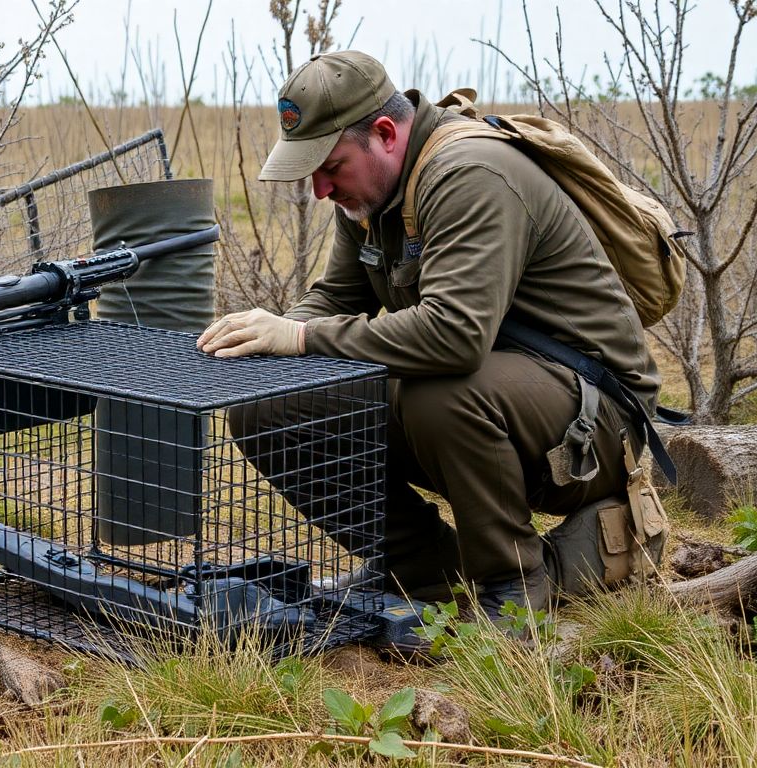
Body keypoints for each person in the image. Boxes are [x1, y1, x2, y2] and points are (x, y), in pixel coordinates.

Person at [196, 51, 661, 619]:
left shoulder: (470, 173)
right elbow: (338, 302)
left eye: (330, 166)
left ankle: (512, 591)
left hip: (596, 421)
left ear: (386, 133)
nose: (319, 189)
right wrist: (261, 340)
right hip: (496, 394)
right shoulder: (371, 195)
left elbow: (454, 337)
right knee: (267, 407)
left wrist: (299, 339)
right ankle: (423, 572)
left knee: (437, 390)